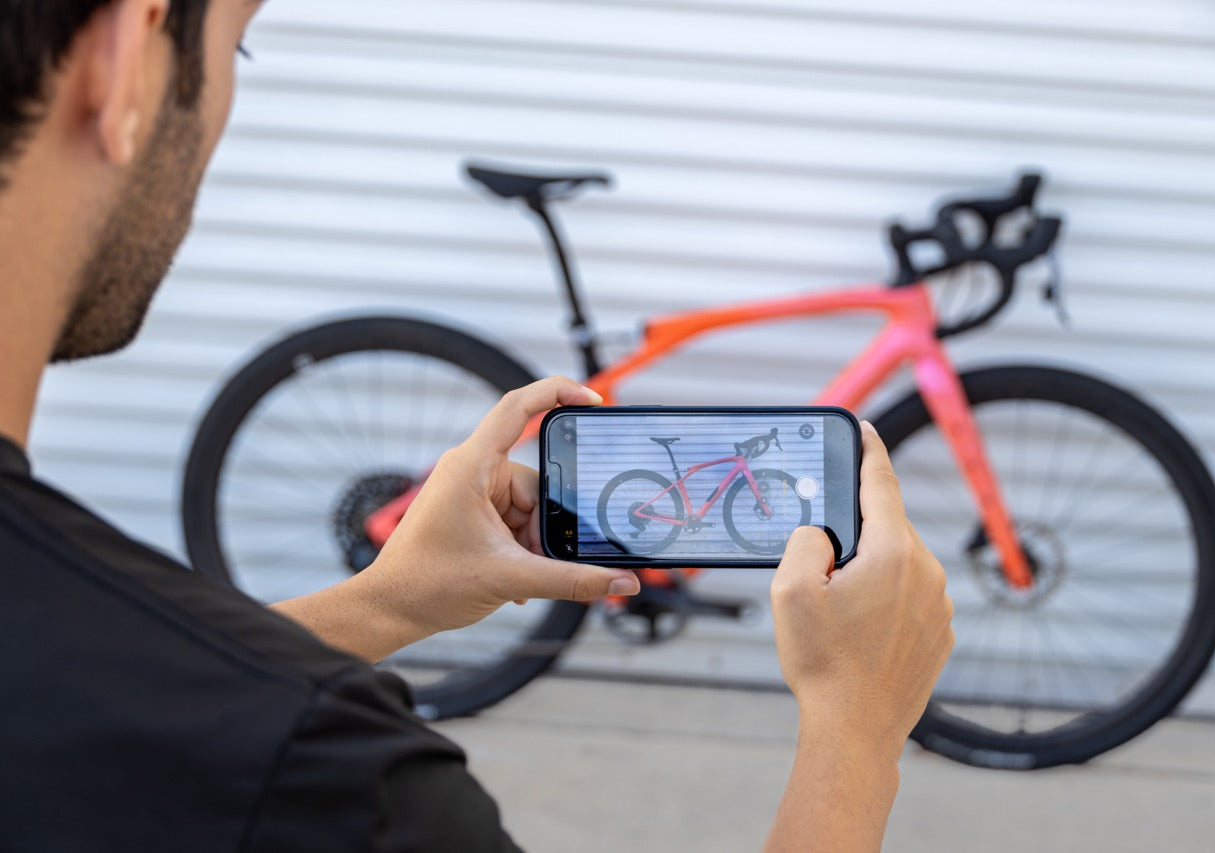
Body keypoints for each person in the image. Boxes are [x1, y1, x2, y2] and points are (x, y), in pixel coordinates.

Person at [0, 1, 954, 850]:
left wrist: (386, 603)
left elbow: (90, 704)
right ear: (127, 54)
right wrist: (855, 735)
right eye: (238, 50)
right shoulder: (332, 779)